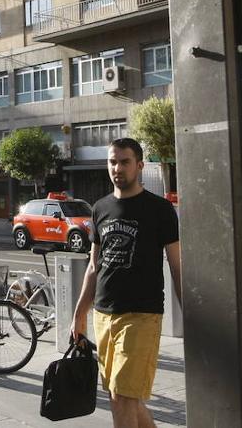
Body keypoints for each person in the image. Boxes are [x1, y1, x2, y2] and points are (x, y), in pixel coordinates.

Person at [72, 137, 181, 428]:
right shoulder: (100, 208)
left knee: (122, 396)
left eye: (124, 162)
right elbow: (94, 265)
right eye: (112, 162)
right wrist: (80, 312)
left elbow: (177, 264)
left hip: (141, 315)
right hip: (104, 315)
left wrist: (191, 314)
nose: (117, 168)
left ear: (140, 165)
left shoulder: (159, 209)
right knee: (121, 396)